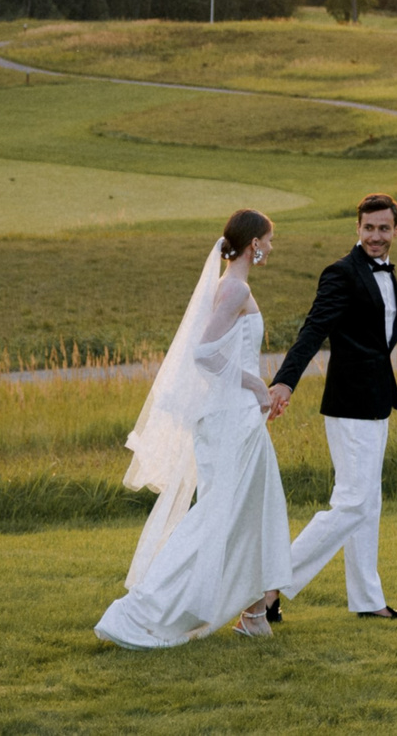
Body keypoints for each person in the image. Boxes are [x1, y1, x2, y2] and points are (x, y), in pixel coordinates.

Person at [95, 209, 291, 648]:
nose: (272, 248)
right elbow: (204, 353)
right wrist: (254, 382)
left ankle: (258, 611)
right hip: (230, 420)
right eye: (270, 240)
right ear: (254, 243)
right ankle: (143, 608)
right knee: (218, 513)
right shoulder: (235, 288)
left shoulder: (234, 287)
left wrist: (254, 392)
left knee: (256, 506)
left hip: (239, 416)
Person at [261, 193, 397, 623]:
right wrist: (286, 380)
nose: (376, 236)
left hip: (378, 400)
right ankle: (269, 589)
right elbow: (314, 328)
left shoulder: (384, 273)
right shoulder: (342, 273)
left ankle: (367, 598)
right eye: (368, 228)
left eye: (384, 228)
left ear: (396, 231)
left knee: (369, 502)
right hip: (349, 405)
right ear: (357, 229)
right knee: (353, 503)